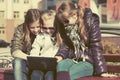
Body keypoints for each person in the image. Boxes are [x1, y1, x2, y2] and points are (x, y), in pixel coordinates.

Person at [53, 1, 117, 80]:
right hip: (73, 59)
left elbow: (96, 46)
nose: (65, 25)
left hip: (87, 62)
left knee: (68, 74)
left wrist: (101, 71)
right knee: (61, 65)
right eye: (62, 22)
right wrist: (61, 55)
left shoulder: (90, 21)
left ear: (74, 15)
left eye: (66, 21)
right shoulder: (67, 26)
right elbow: (66, 43)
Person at [11, 9, 43, 80]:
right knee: (17, 61)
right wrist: (30, 58)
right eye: (32, 27)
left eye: (38, 27)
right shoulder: (21, 29)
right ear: (27, 24)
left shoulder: (46, 29)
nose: (36, 30)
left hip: (41, 63)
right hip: (25, 60)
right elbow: (15, 50)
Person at [29, 10, 60, 80]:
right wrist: (34, 58)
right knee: (35, 75)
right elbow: (35, 49)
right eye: (45, 28)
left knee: (50, 76)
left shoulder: (60, 36)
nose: (48, 31)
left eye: (51, 28)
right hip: (41, 65)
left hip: (54, 66)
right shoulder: (40, 36)